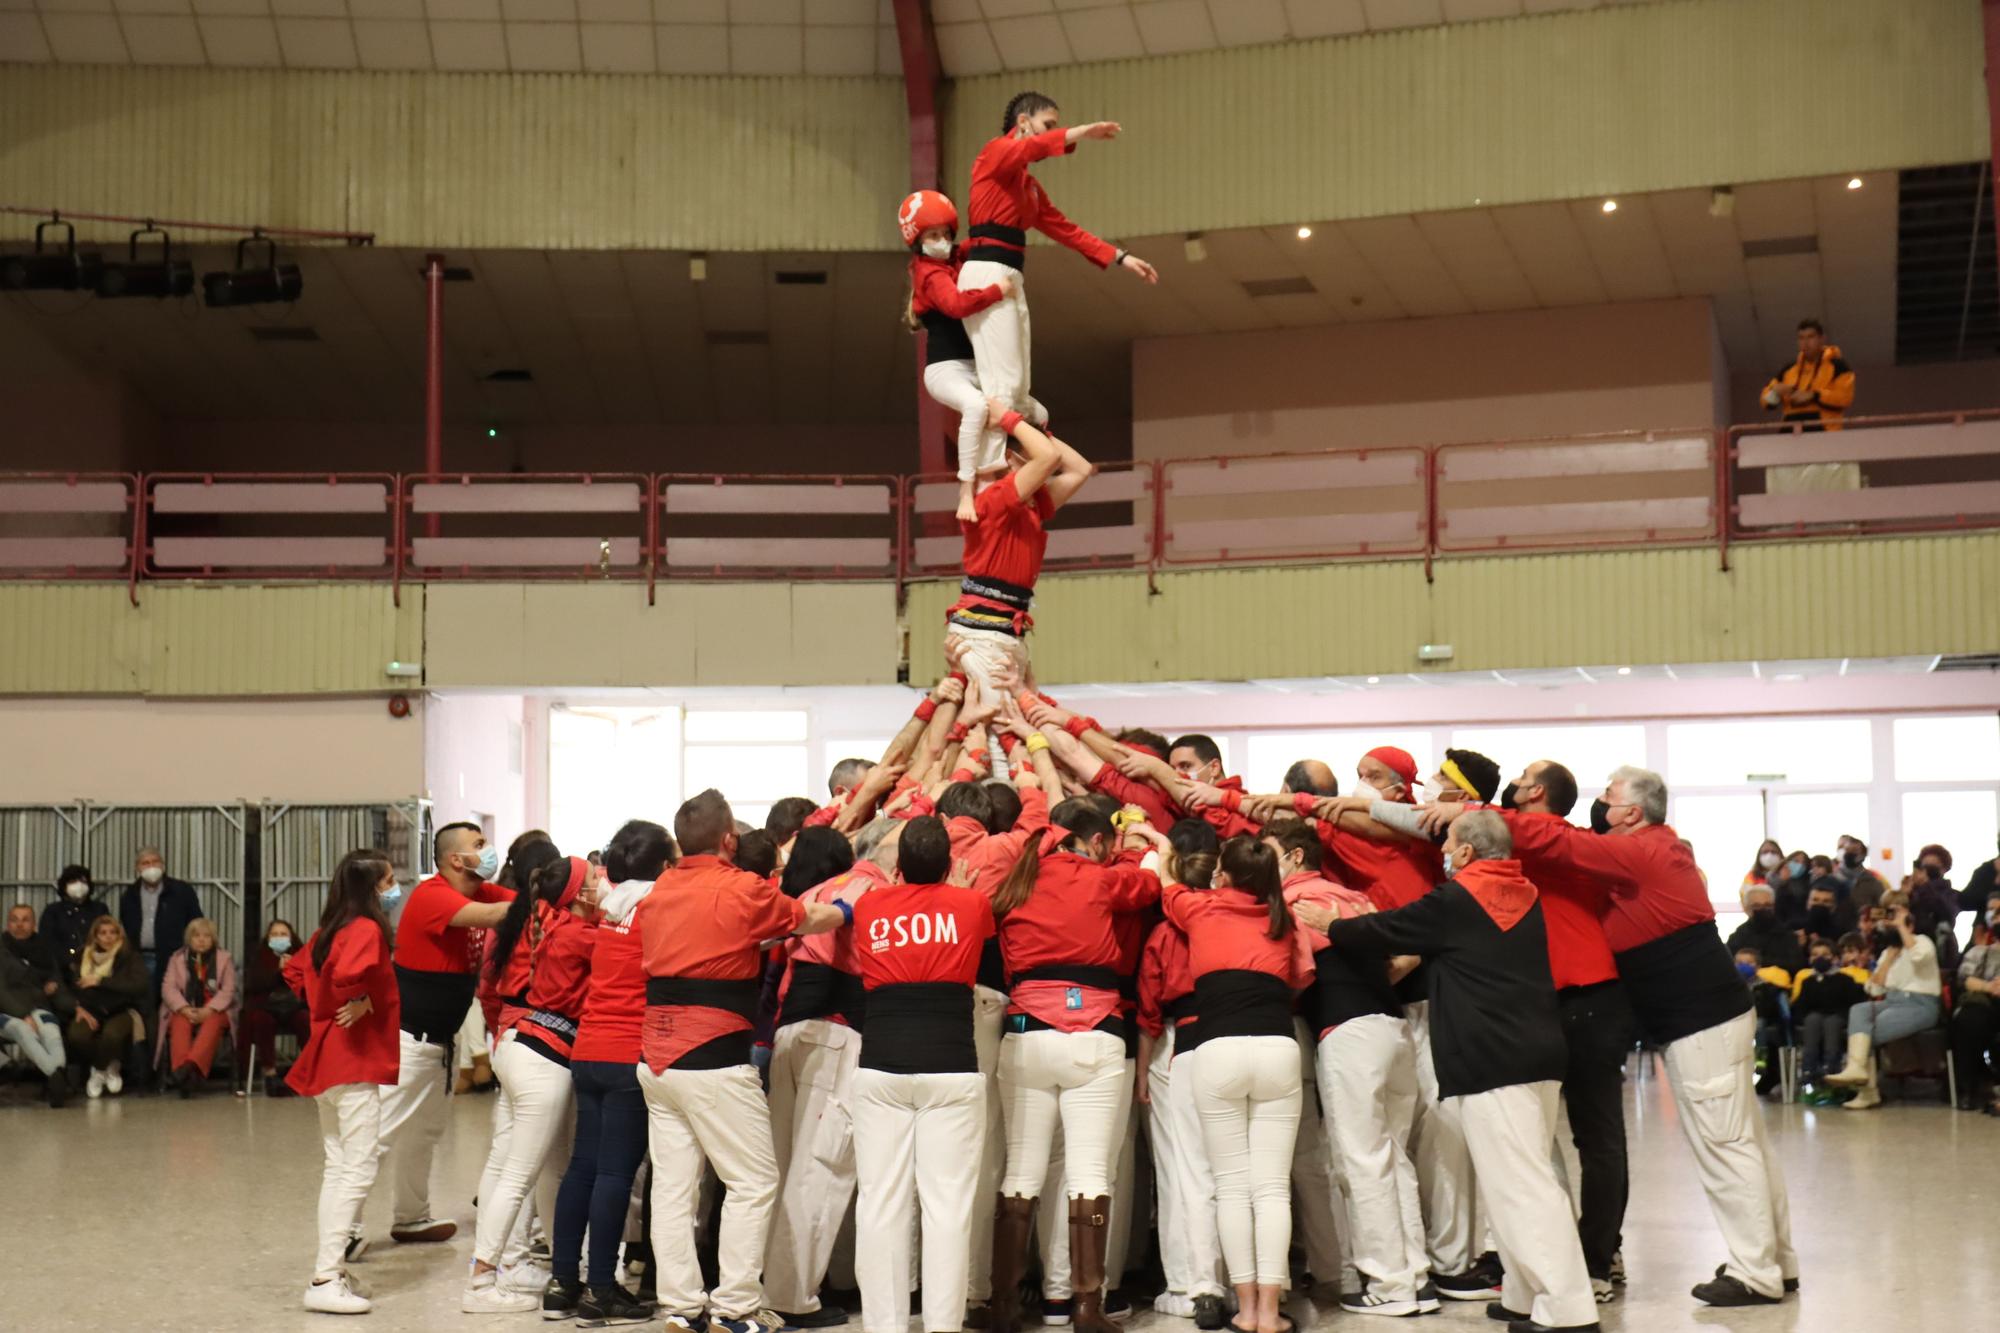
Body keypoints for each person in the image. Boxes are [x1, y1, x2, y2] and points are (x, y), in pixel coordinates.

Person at [1499, 767, 1795, 1308]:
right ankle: (1778, 1260)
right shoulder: (1655, 850)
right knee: (1744, 1137)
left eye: (1608, 800)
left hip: (1700, 1021)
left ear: (1633, 813)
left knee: (1725, 1144)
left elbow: (1555, 839)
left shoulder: (1642, 851)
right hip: (1712, 1016)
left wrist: (1474, 816)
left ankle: (1756, 1272)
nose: (1599, 807)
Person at [1308, 811, 1597, 1333]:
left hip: (1492, 1057)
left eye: (1448, 844)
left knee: (1523, 1186)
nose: (1443, 852)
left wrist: (1331, 924)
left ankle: (1568, 1309)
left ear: (1465, 852)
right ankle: (1524, 1294)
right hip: (1537, 1052)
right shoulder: (1525, 894)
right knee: (1512, 1180)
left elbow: (1387, 929)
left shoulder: (1458, 900)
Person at [636, 789, 847, 1333]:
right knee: (752, 1181)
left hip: (655, 1056)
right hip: (713, 1055)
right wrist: (846, 908)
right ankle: (736, 1309)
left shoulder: (659, 890)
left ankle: (680, 1307)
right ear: (729, 839)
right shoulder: (741, 889)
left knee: (673, 1188)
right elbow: (809, 918)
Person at [986, 797, 1161, 1333]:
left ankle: (1005, 1306)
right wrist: (1135, 842)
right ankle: (1087, 1307)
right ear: (1097, 840)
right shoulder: (1099, 877)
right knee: (1088, 1172)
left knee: (1021, 1171)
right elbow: (1150, 880)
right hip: (1098, 1031)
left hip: (1025, 1034)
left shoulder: (1014, 879)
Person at [1148, 832, 1311, 1333]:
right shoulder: (1288, 920)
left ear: (1224, 873)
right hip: (1278, 1050)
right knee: (1272, 1190)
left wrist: (1155, 841)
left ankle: (1245, 1309)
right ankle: (1271, 1309)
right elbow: (1303, 978)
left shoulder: (1200, 909)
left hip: (1216, 1051)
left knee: (1232, 1188)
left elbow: (1164, 878)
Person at [849, 815, 999, 1333]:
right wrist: (954, 893)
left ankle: (883, 1326)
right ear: (949, 863)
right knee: (948, 1208)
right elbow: (984, 951)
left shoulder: (869, 905)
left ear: (897, 866)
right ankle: (942, 1326)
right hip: (952, 1067)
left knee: (881, 1204)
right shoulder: (972, 904)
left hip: (881, 1066)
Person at [1495, 761, 1634, 1306]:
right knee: (1538, 1137)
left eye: (1523, 776)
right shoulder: (1521, 842)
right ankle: (1573, 1253)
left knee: (1596, 1138)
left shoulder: (1555, 839)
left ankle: (1599, 1258)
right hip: (1543, 1000)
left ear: (1536, 792)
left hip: (1589, 996)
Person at [957, 90, 1155, 469]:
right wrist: (1081, 132)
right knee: (1002, 381)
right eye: (1049, 125)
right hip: (986, 272)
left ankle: (1007, 458)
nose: (1055, 132)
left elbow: (1065, 229)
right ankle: (988, 469)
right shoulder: (994, 153)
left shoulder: (1028, 187)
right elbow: (1030, 150)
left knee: (1017, 386)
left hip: (1010, 274)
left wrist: (1120, 256)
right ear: (1023, 123)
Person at [547, 819, 677, 1325]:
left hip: (589, 1050)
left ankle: (563, 1284)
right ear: (663, 866)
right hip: (627, 1054)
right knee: (615, 1174)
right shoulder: (656, 908)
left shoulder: (610, 908)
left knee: (583, 1166)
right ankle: (601, 1291)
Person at [464, 854, 598, 1314]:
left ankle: (535, 1267)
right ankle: (481, 1283)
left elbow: (488, 986)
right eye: (594, 879)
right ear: (578, 894)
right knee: (521, 1175)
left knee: (515, 1167)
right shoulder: (578, 933)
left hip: (513, 1042)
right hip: (544, 1058)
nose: (602, 883)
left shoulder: (531, 920)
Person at [375, 822, 515, 1248]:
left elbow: (514, 902)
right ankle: (344, 1232)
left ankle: (411, 1218)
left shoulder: (478, 891)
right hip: (406, 1040)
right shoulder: (433, 895)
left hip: (439, 1042)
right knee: (378, 1136)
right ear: (456, 859)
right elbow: (499, 915)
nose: (487, 851)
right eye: (479, 845)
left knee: (424, 1134)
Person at [286, 849, 401, 1316]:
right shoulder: (366, 930)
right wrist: (362, 997)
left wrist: (328, 996)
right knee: (359, 1166)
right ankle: (325, 1275)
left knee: (338, 1167)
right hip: (352, 1059)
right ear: (372, 888)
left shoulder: (327, 930)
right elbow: (354, 972)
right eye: (389, 880)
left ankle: (330, 1267)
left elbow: (294, 971)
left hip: (327, 1056)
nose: (395, 888)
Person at [764, 827, 870, 1328]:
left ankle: (774, 1285)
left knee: (784, 1166)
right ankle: (794, 1297)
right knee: (820, 1169)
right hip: (835, 1035)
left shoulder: (801, 898)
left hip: (790, 1033)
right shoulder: (862, 890)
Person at [899, 188, 1044, 523]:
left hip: (974, 366)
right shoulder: (929, 273)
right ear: (917, 240)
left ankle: (1022, 464)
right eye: (932, 235)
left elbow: (978, 246)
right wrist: (998, 291)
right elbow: (957, 305)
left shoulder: (952, 258)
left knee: (1029, 408)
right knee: (977, 407)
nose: (940, 240)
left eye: (945, 233)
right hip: (944, 370)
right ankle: (966, 489)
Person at [1135, 822, 1229, 1328]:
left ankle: (1192, 1285)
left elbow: (1149, 1009)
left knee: (1181, 1170)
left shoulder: (1166, 930)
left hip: (1176, 1043)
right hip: (1236, 1033)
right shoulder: (1239, 914)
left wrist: (1143, 1071)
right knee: (1235, 1171)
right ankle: (1244, 1284)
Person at [946, 400, 1094, 698]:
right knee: (1000, 727)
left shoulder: (1030, 504)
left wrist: (1034, 428)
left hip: (1001, 628)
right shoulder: (991, 501)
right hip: (985, 631)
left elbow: (1080, 469)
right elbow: (1049, 458)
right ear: (1010, 458)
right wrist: (1010, 420)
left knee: (1010, 725)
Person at [1825, 891, 1943, 1110]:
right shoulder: (1889, 952)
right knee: (1859, 1010)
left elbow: (1919, 958)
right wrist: (1889, 958)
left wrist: (1902, 928)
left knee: (1866, 1031)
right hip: (1893, 1001)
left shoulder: (1922, 941)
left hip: (1921, 1004)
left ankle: (1865, 1086)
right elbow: (1874, 987)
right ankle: (1859, 1073)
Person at [66, 914, 149, 1097]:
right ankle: (109, 1065)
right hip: (90, 1009)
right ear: (95, 936)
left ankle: (98, 1070)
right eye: (103, 933)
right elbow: (73, 986)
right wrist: (77, 1007)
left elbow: (138, 985)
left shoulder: (129, 956)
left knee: (112, 1035)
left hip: (122, 1008)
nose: (108, 937)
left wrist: (101, 981)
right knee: (77, 1035)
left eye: (113, 932)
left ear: (120, 935)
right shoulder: (82, 956)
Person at [157, 916, 238, 1097]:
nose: (201, 940)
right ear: (189, 938)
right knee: (179, 1021)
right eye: (196, 936)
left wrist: (209, 1009)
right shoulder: (177, 958)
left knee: (213, 1021)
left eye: (206, 936)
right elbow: (168, 988)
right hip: (185, 1008)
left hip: (217, 1009)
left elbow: (229, 989)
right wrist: (184, 1008)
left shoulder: (224, 959)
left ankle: (187, 1070)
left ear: (213, 939)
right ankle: (187, 1075)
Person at [2, 904, 69, 1105]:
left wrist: (77, 1008)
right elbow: (1, 990)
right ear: (7, 924)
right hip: (6, 1010)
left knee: (51, 1033)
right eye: (15, 919)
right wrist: (23, 1014)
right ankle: (56, 1075)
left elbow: (57, 982)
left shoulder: (44, 950)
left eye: (25, 920)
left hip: (38, 1006)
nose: (20, 925)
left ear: (34, 924)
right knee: (22, 1029)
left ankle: (56, 1081)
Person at [119, 846, 203, 1005]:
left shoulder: (181, 891)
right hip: (140, 959)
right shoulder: (130, 895)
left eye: (155, 862)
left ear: (163, 865)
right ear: (138, 868)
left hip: (175, 958)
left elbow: (196, 923)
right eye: (145, 863)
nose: (151, 866)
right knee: (144, 1003)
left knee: (172, 1003)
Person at [1788, 938, 1869, 1102]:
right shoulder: (1808, 981)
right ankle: (1808, 1071)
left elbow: (1854, 1004)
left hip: (1838, 1017)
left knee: (1831, 1023)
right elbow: (1800, 1006)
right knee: (1812, 1020)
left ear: (1834, 958)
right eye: (1815, 955)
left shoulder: (1845, 980)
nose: (1820, 958)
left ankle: (1831, 1069)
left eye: (1825, 955)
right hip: (1815, 1019)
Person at [240, 918, 311, 1097]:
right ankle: (269, 1072)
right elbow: (253, 984)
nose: (279, 938)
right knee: (262, 1020)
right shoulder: (259, 955)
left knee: (305, 1020)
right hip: (266, 1006)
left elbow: (310, 984)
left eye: (283, 934)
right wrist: (276, 970)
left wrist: (292, 969)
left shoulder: (301, 953)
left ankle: (308, 1071)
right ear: (268, 937)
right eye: (275, 934)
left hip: (294, 1005)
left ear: (291, 937)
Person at [1759, 318, 1856, 432]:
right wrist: (1774, 393)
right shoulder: (1788, 369)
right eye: (1801, 338)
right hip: (1791, 434)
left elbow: (1845, 398)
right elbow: (1765, 402)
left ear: (1822, 339)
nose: (1805, 342)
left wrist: (1814, 395)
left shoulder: (1838, 366)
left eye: (1811, 337)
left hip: (1825, 433)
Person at [1950, 889, 2000, 1111]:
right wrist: (1989, 986)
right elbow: (1965, 978)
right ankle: (1968, 1089)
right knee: (1970, 1019)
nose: (1996, 915)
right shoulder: (1980, 951)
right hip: (1986, 1000)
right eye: (1992, 911)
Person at [39, 865, 108, 977]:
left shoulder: (100, 909)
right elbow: (48, 942)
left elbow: (107, 936)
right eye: (73, 881)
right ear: (64, 886)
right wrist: (68, 962)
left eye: (83, 881)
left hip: (96, 968)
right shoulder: (53, 911)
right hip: (62, 971)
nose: (79, 885)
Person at [1726, 884, 1803, 974]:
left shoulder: (1787, 934)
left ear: (1774, 907)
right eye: (1756, 906)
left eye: (1767, 905)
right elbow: (1728, 964)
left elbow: (1796, 965)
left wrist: (1757, 961)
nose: (1762, 909)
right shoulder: (1738, 936)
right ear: (1746, 908)